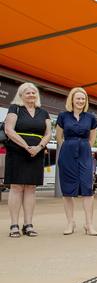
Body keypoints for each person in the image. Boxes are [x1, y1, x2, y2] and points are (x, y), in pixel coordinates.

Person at [4, 83, 52, 238]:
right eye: (27, 93)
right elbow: (8, 130)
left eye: (33, 92)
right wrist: (26, 146)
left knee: (31, 188)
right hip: (17, 151)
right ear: (21, 95)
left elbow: (48, 133)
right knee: (16, 187)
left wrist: (38, 147)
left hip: (36, 153)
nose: (31, 95)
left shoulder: (43, 112)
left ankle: (28, 224)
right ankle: (14, 225)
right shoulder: (15, 108)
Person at [56, 87, 97, 236]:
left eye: (83, 99)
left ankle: (89, 224)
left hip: (84, 153)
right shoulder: (63, 116)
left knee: (87, 188)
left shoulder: (90, 118)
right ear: (72, 100)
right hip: (67, 153)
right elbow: (59, 137)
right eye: (78, 98)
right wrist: (69, 147)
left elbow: (92, 137)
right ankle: (70, 222)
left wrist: (85, 148)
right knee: (68, 190)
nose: (80, 101)